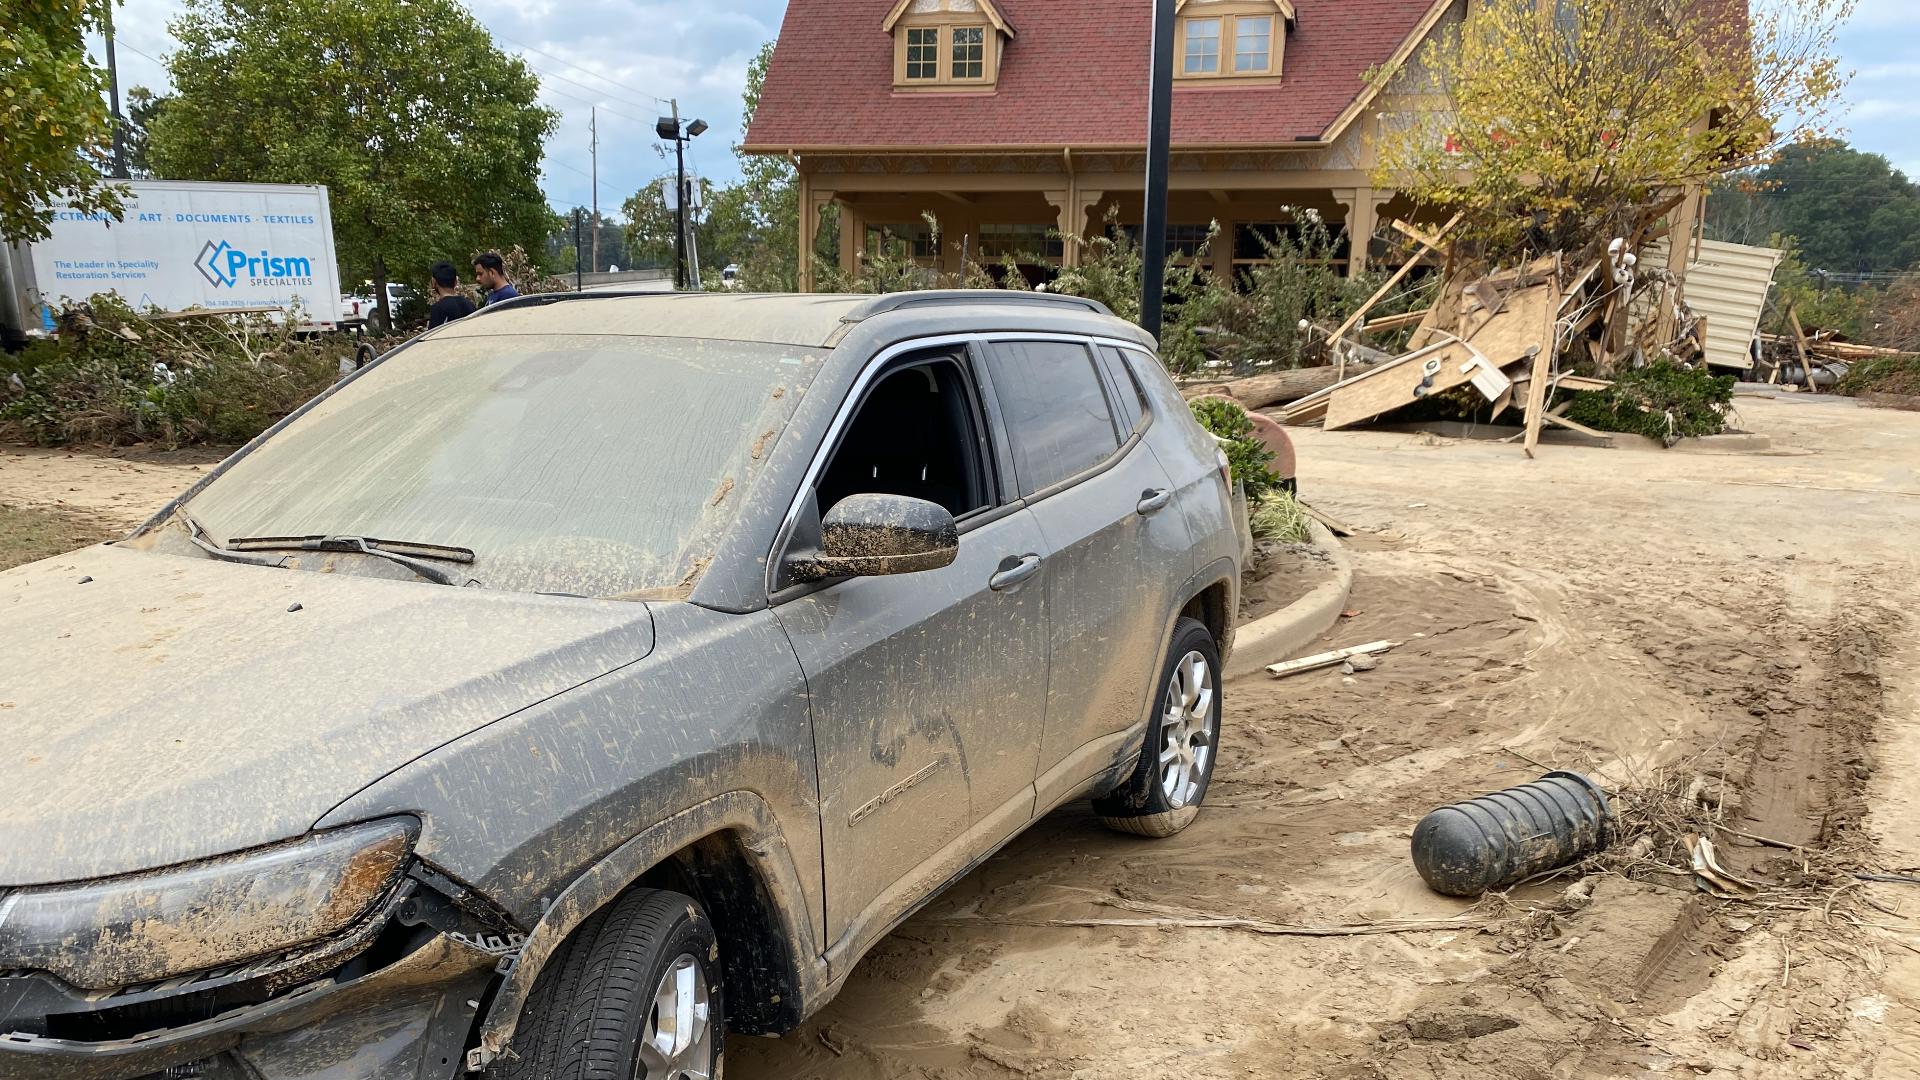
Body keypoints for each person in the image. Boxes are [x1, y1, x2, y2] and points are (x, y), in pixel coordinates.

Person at [426, 261, 476, 328]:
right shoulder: (470, 304)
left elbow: (434, 336)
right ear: (455, 281)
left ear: (434, 281)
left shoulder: (438, 308)